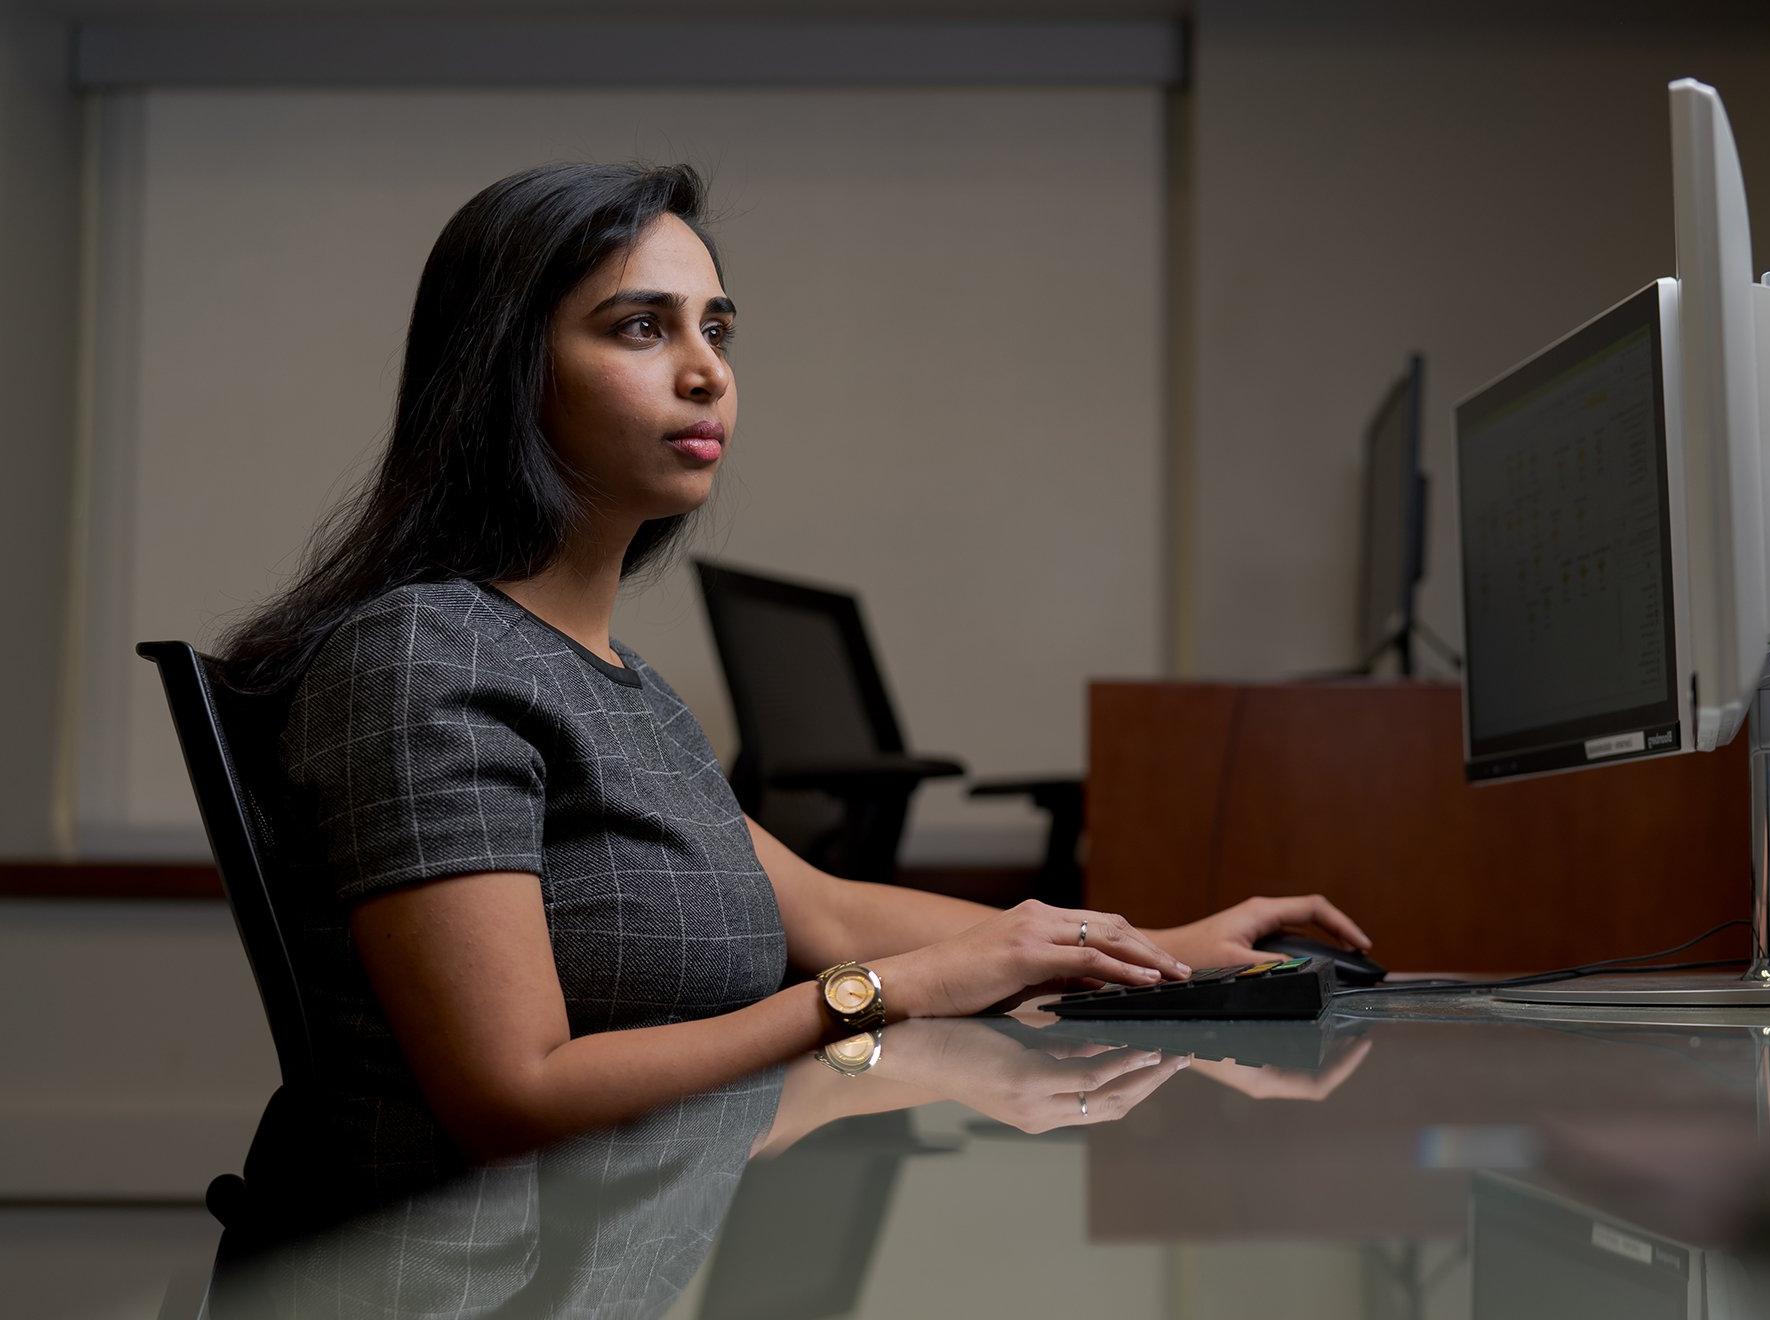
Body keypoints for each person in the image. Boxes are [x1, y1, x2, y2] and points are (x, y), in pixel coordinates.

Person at [213, 161, 1372, 1205]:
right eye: (639, 328)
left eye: (716, 328)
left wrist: (1150, 949)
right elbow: (513, 1099)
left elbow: (817, 910)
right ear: (505, 373)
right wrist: (881, 993)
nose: (707, 369)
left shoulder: (617, 682)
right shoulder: (428, 658)